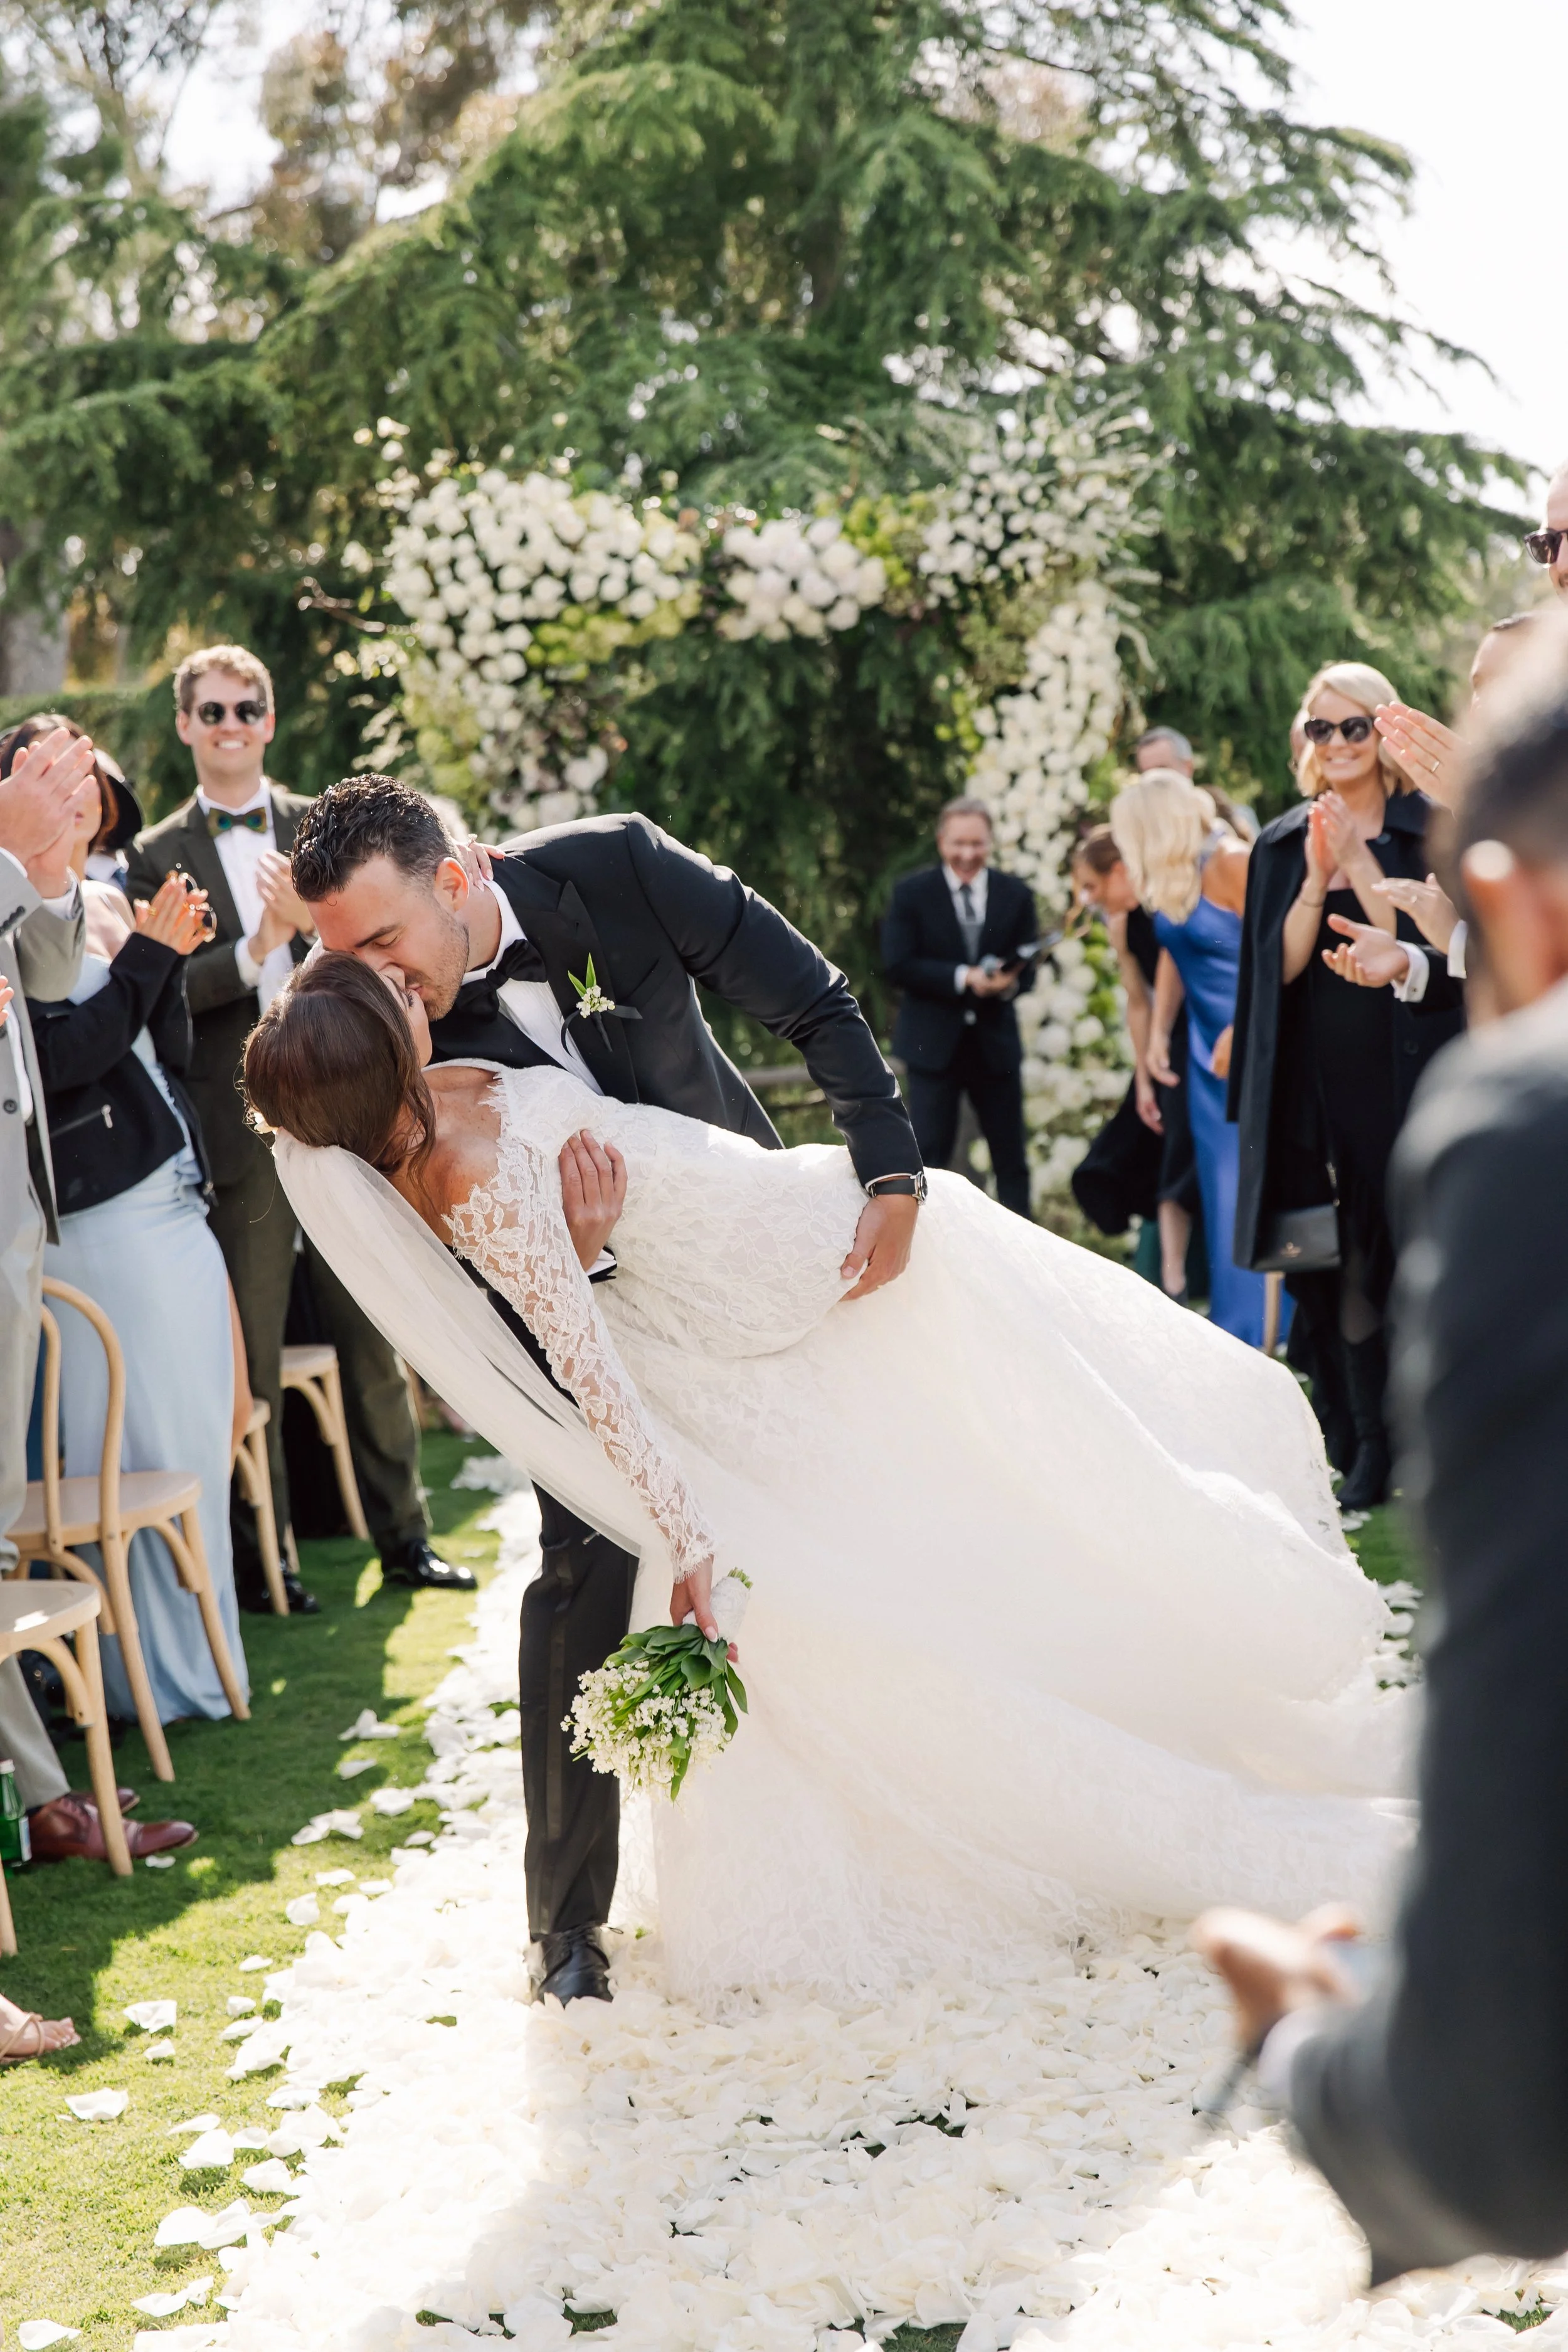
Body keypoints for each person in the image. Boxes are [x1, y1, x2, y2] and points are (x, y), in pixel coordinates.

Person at [246, 945, 1414, 2012]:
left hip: (777, 1222)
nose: (404, 980)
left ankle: (1177, 1647)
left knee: (1024, 1457)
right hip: (786, 1295)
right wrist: (688, 1536)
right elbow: (592, 1376)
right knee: (985, 1488)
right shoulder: (463, 1177)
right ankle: (1153, 1726)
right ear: (381, 1069)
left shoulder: (438, 1086)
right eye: (382, 994)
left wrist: (596, 1245)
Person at [288, 778, 926, 2003]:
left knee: (808, 1525)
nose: (365, 978)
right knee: (583, 1555)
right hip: (553, 1297)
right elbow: (451, 1238)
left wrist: (889, 1174)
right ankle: (566, 1925)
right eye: (338, 955)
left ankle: (871, 1830)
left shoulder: (618, 866)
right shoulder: (380, 1044)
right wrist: (583, 1258)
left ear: (459, 880)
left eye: (380, 942)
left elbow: (809, 998)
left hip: (727, 1237)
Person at [1195, 652, 1568, 2283]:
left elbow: (1494, 2132)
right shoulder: (1285, 843)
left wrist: (1312, 2051)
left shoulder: (1523, 1140)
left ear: (1516, 911)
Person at [125, 645, 472, 1611]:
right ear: (187, 726)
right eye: (212, 710)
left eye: (247, 708)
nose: (230, 724)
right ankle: (265, 1564)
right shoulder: (154, 857)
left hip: (353, 1125)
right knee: (259, 1358)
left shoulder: (323, 836)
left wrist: (313, 937)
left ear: (268, 722)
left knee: (375, 1329)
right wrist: (258, 945)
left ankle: (406, 1537)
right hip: (243, 1141)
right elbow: (160, 1001)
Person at [20, 718, 250, 1729]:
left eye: (85, 784)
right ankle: (136, 1686)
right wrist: (150, 963)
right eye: (51, 782)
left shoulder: (110, 899)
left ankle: (202, 1665)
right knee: (130, 1448)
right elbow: (59, 1060)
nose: (78, 799)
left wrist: (165, 954)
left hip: (171, 1197)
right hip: (104, 1217)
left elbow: (163, 1047)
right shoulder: (18, 916)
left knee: (194, 1440)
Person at [0, 733, 195, 1864]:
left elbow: (32, 976)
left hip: (22, 1220)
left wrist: (48, 868)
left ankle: (40, 1797)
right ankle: (45, 1799)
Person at [1228, 663, 1465, 1510]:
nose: (1335, 744)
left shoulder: (1429, 823)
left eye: (1353, 727)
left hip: (1413, 1071)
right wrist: (1309, 879)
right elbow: (1278, 970)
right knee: (1341, 1267)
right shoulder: (1282, 837)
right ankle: (1367, 1441)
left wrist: (1359, 859)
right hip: (1316, 1079)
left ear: (1386, 730)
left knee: (1412, 1253)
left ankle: (1430, 1435)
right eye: (1320, 728)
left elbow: (1409, 944)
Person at [1110, 772, 1269, 1346]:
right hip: (1204, 1055)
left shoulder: (1233, 861)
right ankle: (1240, 1332)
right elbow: (1175, 953)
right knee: (1220, 1192)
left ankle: (1278, 1328)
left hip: (1253, 1048)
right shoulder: (1174, 878)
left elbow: (1279, 948)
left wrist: (1248, 1025)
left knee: (1256, 1187)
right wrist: (1159, 1032)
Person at [881, 797, 1039, 1220]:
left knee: (1012, 1160)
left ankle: (1024, 1261)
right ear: (941, 842)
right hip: (933, 1048)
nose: (968, 854)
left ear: (990, 843)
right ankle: (922, 1247)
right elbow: (898, 964)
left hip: (996, 1047)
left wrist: (1007, 985)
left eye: (977, 844)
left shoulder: (1017, 894)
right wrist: (963, 977)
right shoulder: (912, 893)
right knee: (928, 1155)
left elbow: (1030, 971)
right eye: (959, 844)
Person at [1068, 826, 1201, 1300]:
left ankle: (1185, 1277)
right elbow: (1138, 1002)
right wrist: (1144, 1078)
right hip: (1162, 1045)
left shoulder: (1172, 905)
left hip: (1198, 1031)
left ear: (1121, 871)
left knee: (1182, 1147)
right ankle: (1172, 1281)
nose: (1088, 899)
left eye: (1092, 885)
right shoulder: (1121, 923)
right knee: (1133, 1148)